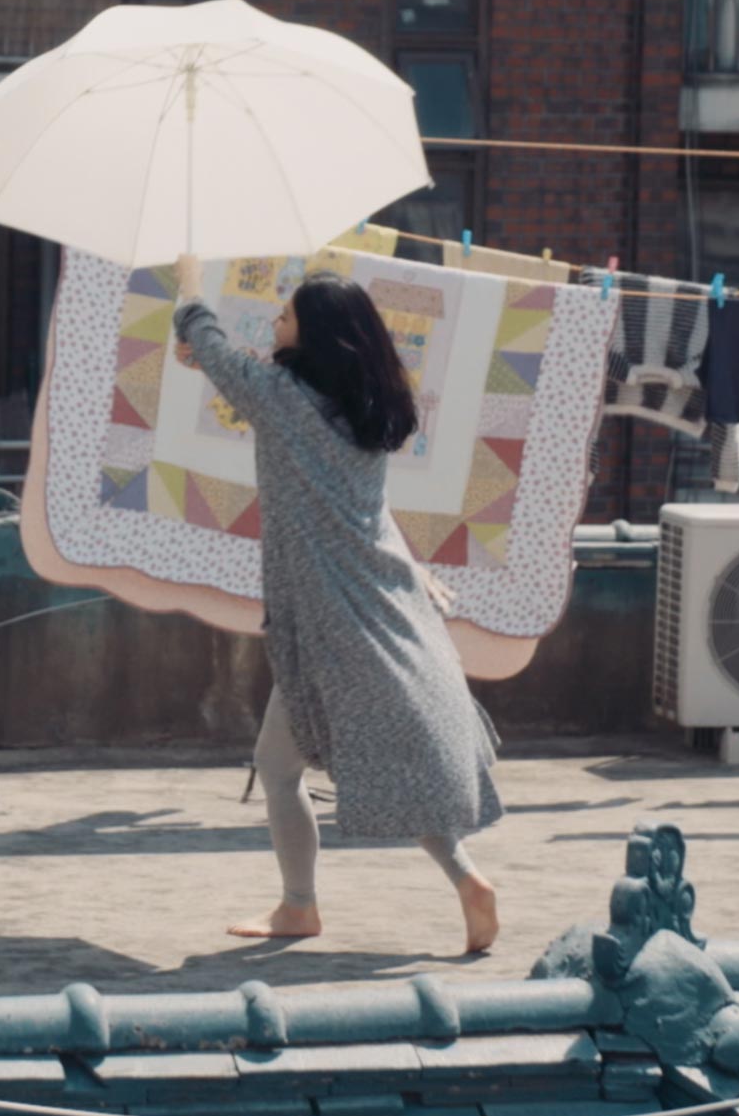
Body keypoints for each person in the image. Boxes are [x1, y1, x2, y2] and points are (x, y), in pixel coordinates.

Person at [172, 258, 504, 954]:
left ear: (315, 337)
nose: (276, 322)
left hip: (328, 622)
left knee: (282, 764)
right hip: (382, 603)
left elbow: (213, 346)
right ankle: (465, 880)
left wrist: (190, 287)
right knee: (387, 755)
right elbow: (226, 365)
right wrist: (203, 357)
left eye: (287, 316)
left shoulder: (284, 401)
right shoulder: (362, 411)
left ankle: (300, 907)